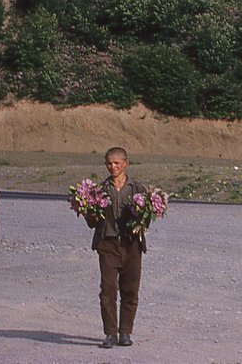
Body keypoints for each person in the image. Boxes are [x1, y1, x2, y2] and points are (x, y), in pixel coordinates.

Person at [88, 146, 147, 349]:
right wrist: (89, 209)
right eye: (108, 163)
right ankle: (110, 333)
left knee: (130, 290)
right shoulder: (100, 190)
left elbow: (147, 220)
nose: (112, 167)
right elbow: (91, 222)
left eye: (116, 163)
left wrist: (143, 215)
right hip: (108, 244)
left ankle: (125, 333)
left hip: (131, 246)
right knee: (108, 290)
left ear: (125, 164)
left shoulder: (138, 189)